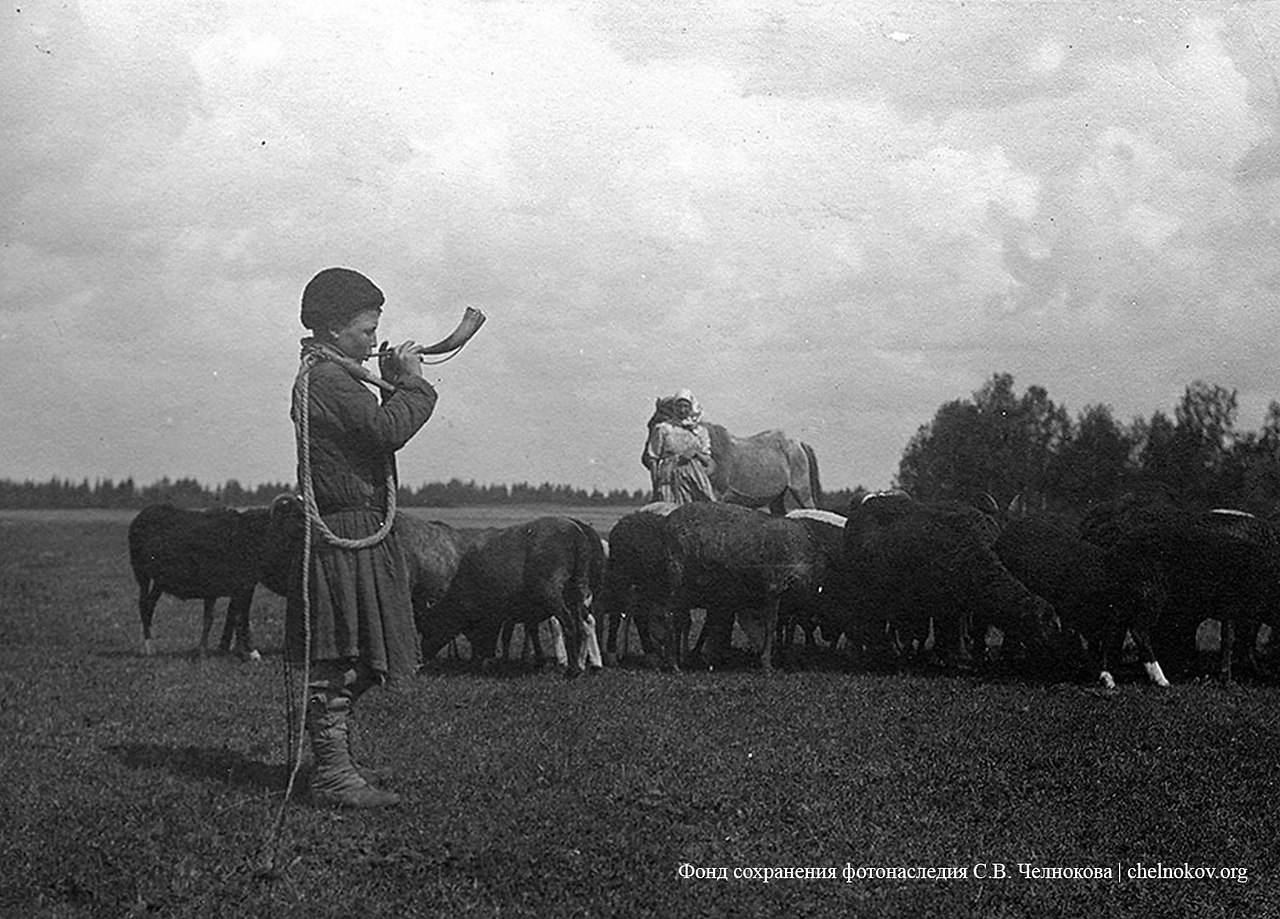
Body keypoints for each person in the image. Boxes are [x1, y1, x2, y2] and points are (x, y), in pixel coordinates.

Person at [286, 266, 438, 808]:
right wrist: (414, 383)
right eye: (366, 329)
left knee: (363, 647)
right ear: (331, 329)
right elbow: (384, 432)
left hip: (363, 524)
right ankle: (330, 774)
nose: (375, 340)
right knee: (342, 652)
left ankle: (338, 758)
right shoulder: (328, 379)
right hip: (347, 529)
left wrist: (400, 385)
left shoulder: (334, 375)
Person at [642, 388, 716, 504]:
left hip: (695, 477)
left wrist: (695, 453)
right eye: (679, 406)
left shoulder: (700, 431)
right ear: (674, 408)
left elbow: (708, 460)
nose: (682, 410)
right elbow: (653, 459)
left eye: (686, 406)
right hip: (670, 477)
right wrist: (656, 486)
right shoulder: (663, 429)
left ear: (691, 408)